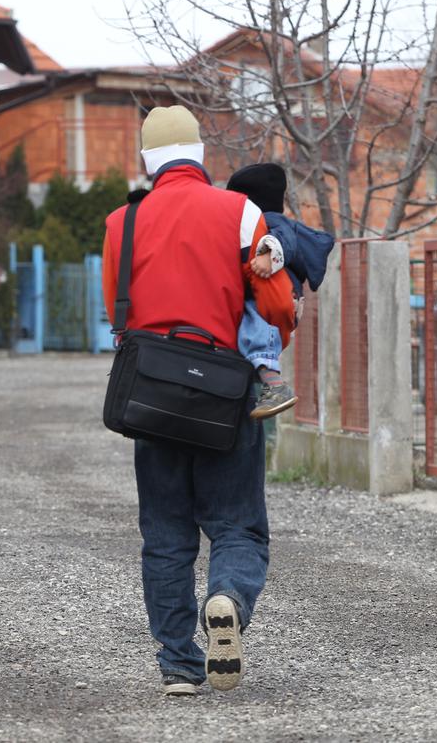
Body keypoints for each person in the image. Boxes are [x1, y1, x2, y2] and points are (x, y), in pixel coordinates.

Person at [101, 106, 296, 697]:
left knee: (165, 535)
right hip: (225, 392)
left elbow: (117, 310)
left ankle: (179, 665)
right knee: (237, 525)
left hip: (152, 395)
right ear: (199, 154)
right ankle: (228, 599)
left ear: (147, 161)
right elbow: (277, 303)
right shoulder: (241, 211)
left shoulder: (121, 222)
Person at [225, 163, 337, 419]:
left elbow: (283, 240)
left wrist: (268, 255)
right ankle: (263, 375)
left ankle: (274, 384)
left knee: (255, 319)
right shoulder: (259, 223)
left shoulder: (271, 222)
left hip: (278, 299)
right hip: (283, 299)